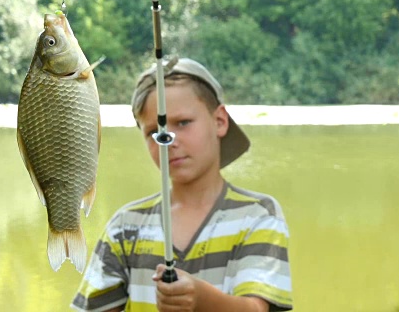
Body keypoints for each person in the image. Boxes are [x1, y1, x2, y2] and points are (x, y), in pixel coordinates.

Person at [71, 58, 293, 312]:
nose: (167, 140)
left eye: (183, 123)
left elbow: (256, 309)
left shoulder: (258, 215)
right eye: (154, 131)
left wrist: (201, 299)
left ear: (220, 121)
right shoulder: (125, 226)